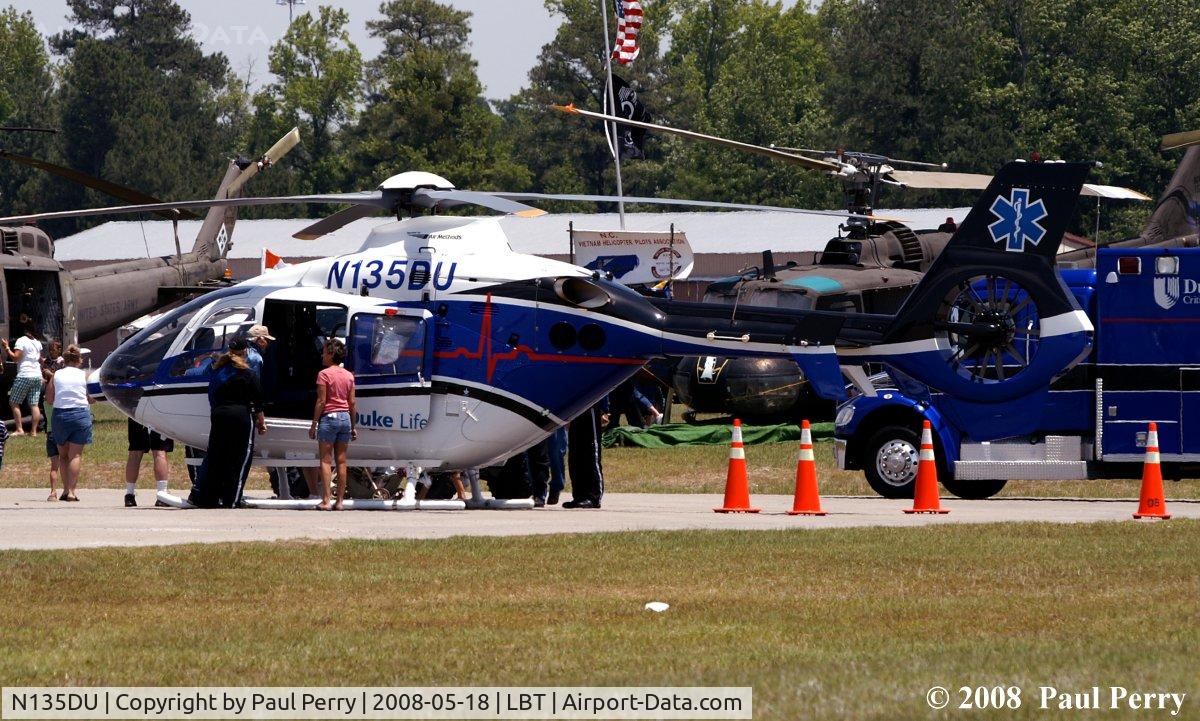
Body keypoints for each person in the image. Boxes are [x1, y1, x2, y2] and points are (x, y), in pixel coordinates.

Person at [188, 337, 266, 508]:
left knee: (217, 455)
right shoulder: (248, 373)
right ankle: (232, 499)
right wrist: (261, 422)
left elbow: (211, 395)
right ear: (245, 352)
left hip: (218, 415)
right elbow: (258, 401)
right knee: (240, 458)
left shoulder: (217, 370)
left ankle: (209, 497)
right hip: (240, 415)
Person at [309, 338, 356, 510]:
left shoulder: (324, 374)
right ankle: (340, 501)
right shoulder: (349, 375)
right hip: (345, 418)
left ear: (330, 354)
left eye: (324, 352)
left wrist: (314, 423)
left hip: (329, 417)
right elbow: (352, 403)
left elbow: (321, 401)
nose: (322, 355)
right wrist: (354, 425)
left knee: (326, 460)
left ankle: (326, 500)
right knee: (342, 461)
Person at [46, 345, 92, 502]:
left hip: (60, 415)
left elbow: (50, 399)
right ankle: (72, 492)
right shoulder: (85, 375)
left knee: (63, 456)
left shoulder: (56, 375)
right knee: (76, 454)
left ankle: (65, 490)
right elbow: (91, 397)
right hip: (80, 414)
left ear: (63, 361)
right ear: (79, 360)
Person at [564, 398, 609, 509]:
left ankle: (594, 497)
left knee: (591, 452)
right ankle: (579, 496)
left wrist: (604, 410)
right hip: (575, 408)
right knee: (575, 454)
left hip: (591, 407)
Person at [4, 322, 43, 436]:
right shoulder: (37, 342)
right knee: (34, 404)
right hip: (37, 375)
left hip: (25, 375)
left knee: (14, 401)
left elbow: (15, 358)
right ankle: (34, 431)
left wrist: (7, 348)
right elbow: (39, 358)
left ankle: (20, 429)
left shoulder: (21, 341)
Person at [124, 420, 174, 508]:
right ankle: (162, 494)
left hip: (138, 413)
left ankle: (129, 495)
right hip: (159, 413)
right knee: (159, 452)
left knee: (135, 453)